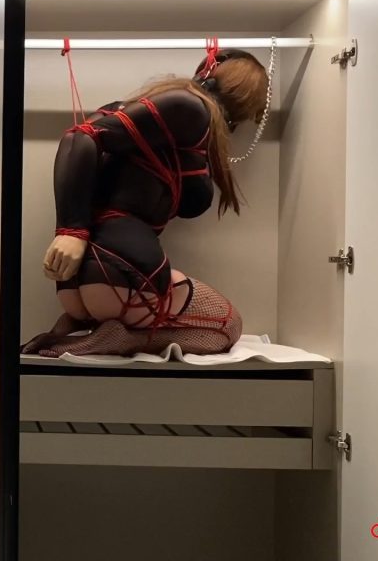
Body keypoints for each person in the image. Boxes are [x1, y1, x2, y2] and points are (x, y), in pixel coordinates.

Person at [23, 49, 269, 357]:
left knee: (184, 296)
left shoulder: (129, 110)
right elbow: (79, 138)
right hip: (122, 269)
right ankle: (121, 339)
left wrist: (75, 233)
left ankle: (75, 327)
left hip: (80, 279)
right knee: (226, 324)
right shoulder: (192, 108)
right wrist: (71, 230)